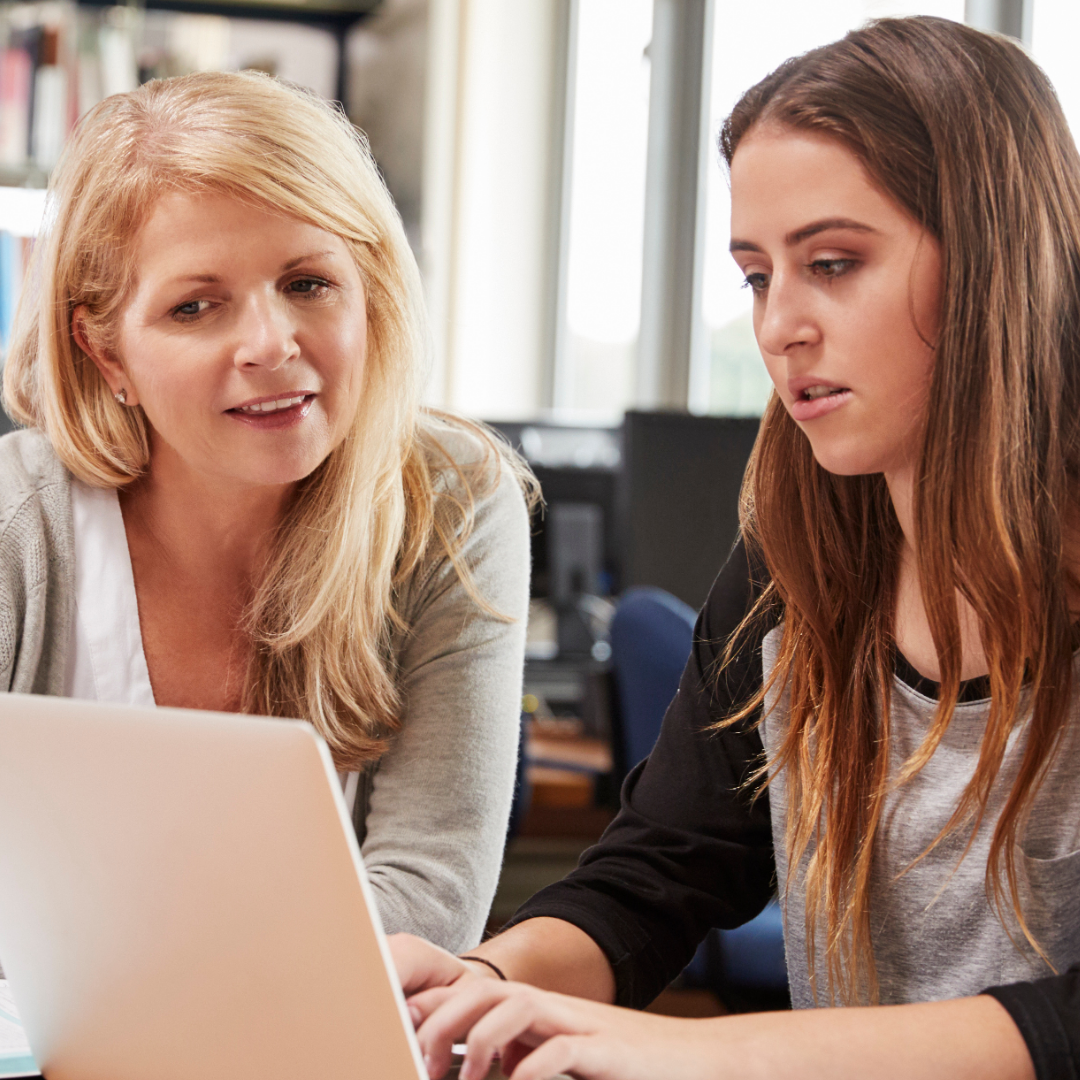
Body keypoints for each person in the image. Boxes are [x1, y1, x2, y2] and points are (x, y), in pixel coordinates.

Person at [391, 16, 1080, 1080]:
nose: (778, 328)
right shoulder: (794, 566)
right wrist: (485, 983)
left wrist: (699, 1055)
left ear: (997, 261)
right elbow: (660, 873)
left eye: (834, 264)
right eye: (760, 276)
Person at [0, 71, 533, 956]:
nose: (272, 344)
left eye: (308, 283)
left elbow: (428, 900)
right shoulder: (21, 527)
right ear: (105, 351)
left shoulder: (450, 499)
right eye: (194, 307)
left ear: (368, 291)